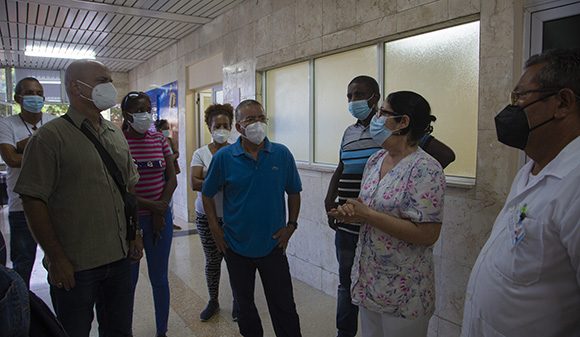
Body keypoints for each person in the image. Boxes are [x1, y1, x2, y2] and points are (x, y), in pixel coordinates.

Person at [14, 59, 143, 337]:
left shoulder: (115, 134)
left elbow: (129, 189)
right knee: (74, 331)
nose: (109, 87)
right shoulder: (50, 138)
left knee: (119, 330)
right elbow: (33, 200)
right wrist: (56, 257)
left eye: (109, 80)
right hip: (76, 265)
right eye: (102, 80)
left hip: (119, 258)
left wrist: (135, 233)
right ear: (76, 87)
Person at [461, 49, 580, 337]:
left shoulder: (575, 185)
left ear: (562, 103)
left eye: (520, 97)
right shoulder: (531, 170)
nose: (510, 109)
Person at [324, 76, 454, 337]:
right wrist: (352, 213)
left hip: (405, 287)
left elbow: (428, 234)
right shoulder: (375, 161)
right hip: (371, 280)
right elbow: (368, 205)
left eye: (383, 112)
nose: (377, 118)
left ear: (403, 122)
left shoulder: (426, 169)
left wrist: (368, 215)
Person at [201, 99, 302, 337]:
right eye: (250, 119)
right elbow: (207, 194)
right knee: (245, 308)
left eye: (261, 118)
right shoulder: (225, 157)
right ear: (238, 127)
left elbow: (294, 192)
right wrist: (215, 229)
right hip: (236, 246)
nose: (257, 124)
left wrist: (291, 226)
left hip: (273, 245)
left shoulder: (281, 154)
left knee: (284, 306)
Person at [122, 92, 177, 337]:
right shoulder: (119, 142)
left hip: (160, 218)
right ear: (127, 115)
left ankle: (162, 331)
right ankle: (125, 330)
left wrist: (161, 207)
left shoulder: (159, 139)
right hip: (131, 221)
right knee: (128, 282)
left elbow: (172, 178)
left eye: (148, 109)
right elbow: (120, 189)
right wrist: (152, 207)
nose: (145, 114)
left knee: (159, 278)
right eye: (139, 109)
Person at [0, 77, 56, 287]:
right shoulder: (6, 124)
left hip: (54, 206)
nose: (36, 97)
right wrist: (41, 142)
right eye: (30, 93)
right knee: (22, 265)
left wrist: (23, 145)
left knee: (57, 264)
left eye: (39, 93)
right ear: (17, 98)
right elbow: (11, 160)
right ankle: (21, 316)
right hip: (20, 207)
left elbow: (62, 159)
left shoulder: (54, 122)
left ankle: (58, 317)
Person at [190, 103, 239, 322]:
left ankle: (239, 302)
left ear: (231, 127)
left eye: (225, 125)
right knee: (212, 261)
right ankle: (213, 300)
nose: (221, 128)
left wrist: (211, 182)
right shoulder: (200, 153)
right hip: (205, 216)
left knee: (235, 261)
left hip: (233, 216)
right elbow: (194, 182)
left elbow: (241, 182)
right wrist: (221, 182)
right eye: (217, 125)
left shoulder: (237, 151)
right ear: (209, 127)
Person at [155, 119, 182, 231]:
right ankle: (164, 219)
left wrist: (170, 159)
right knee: (163, 196)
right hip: (160, 173)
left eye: (168, 128)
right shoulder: (156, 141)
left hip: (170, 172)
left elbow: (176, 153)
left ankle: (170, 220)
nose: (167, 130)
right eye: (164, 128)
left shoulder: (170, 140)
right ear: (159, 129)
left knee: (170, 197)